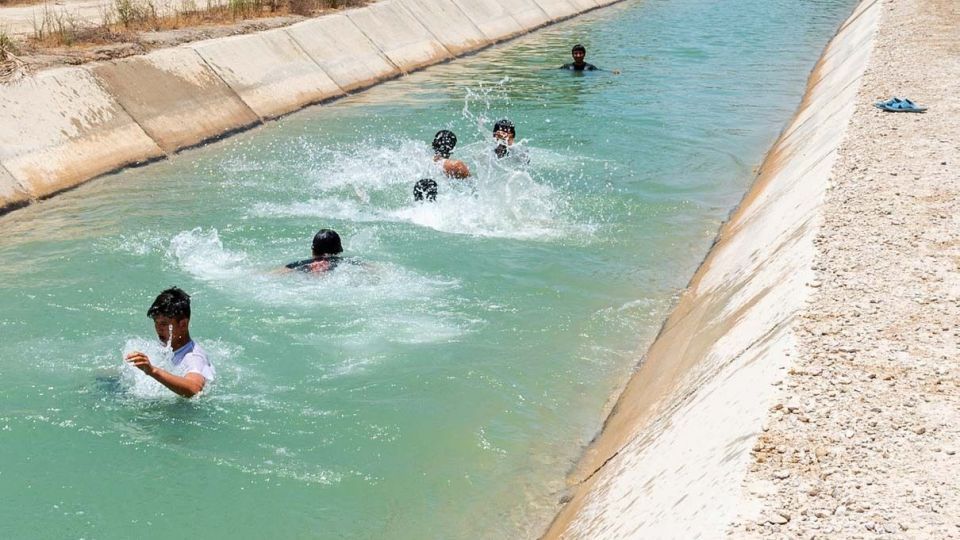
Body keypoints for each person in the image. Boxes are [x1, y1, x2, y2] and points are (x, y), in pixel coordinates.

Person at [125, 287, 215, 398]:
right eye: (155, 322)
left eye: (163, 324)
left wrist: (152, 371)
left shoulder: (193, 357)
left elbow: (195, 388)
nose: (158, 328)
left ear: (183, 324)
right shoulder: (168, 347)